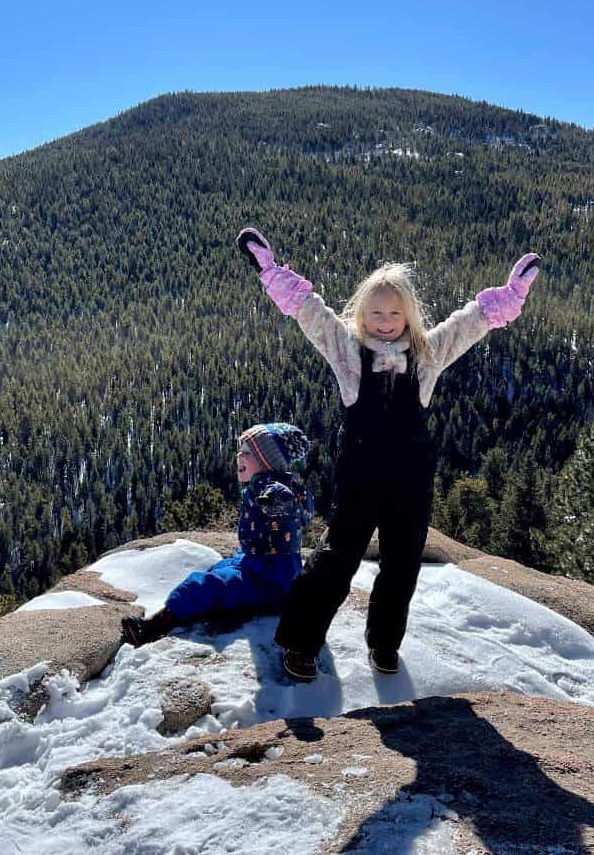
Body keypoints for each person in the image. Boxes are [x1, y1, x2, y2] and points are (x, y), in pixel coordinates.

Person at [237, 227, 540, 681]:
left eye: (394, 312)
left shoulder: (427, 354)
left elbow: (465, 326)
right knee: (337, 559)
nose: (384, 320)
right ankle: (299, 643)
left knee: (402, 563)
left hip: (410, 479)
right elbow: (312, 314)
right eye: (376, 311)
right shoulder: (348, 351)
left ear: (409, 315)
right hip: (359, 475)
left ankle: (383, 644)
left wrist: (508, 297)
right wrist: (271, 272)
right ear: (362, 314)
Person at [120, 423, 314, 646]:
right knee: (218, 569)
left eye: (247, 452)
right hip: (262, 565)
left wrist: (275, 500)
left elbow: (282, 495)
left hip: (270, 580)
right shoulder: (284, 482)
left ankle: (155, 626)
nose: (239, 455)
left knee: (206, 583)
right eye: (240, 449)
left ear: (266, 461)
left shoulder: (271, 486)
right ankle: (201, 606)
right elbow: (305, 507)